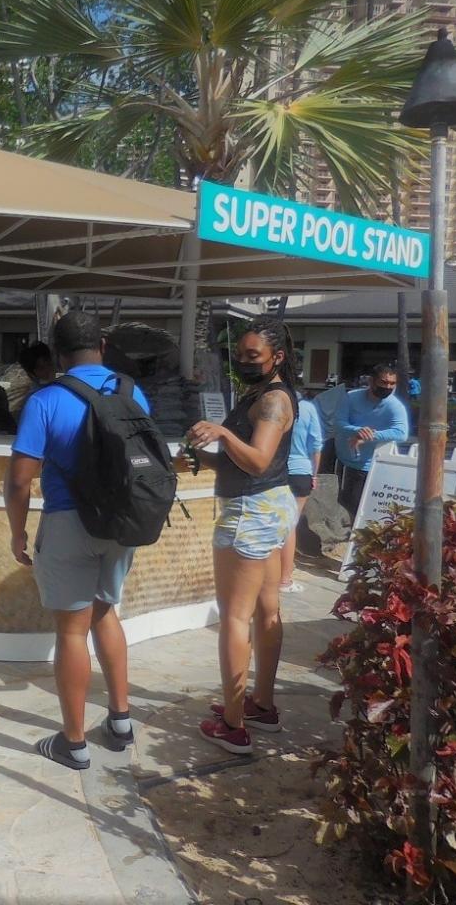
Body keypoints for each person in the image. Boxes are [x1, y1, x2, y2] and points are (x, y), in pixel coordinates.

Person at [4, 311, 147, 769]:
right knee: (106, 613)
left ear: (58, 353)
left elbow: (19, 480)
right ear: (102, 346)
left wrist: (17, 532)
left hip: (69, 521)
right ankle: (121, 722)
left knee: (71, 631)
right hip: (122, 524)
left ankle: (74, 742)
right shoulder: (131, 391)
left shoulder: (46, 400)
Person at [183, 317, 297, 755]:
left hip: (250, 512)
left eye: (254, 356)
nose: (245, 362)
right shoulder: (264, 393)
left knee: (234, 616)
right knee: (267, 610)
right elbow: (242, 460)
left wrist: (222, 432)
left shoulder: (272, 400)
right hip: (268, 506)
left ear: (277, 357)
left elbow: (258, 460)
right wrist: (204, 459)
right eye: (240, 355)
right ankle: (261, 705)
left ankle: (233, 725)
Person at [334, 364, 410, 520]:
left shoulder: (395, 406)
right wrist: (357, 430)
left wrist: (370, 435)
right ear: (371, 381)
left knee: (359, 508)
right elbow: (338, 423)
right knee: (340, 503)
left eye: (392, 383)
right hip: (342, 460)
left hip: (368, 466)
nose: (388, 387)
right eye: (383, 382)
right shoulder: (351, 397)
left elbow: (401, 433)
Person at [279, 393, 323, 594]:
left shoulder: (270, 403)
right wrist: (314, 474)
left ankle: (272, 573)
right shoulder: (307, 408)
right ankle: (284, 579)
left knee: (274, 524)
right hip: (300, 471)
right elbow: (316, 445)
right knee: (290, 526)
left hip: (274, 471)